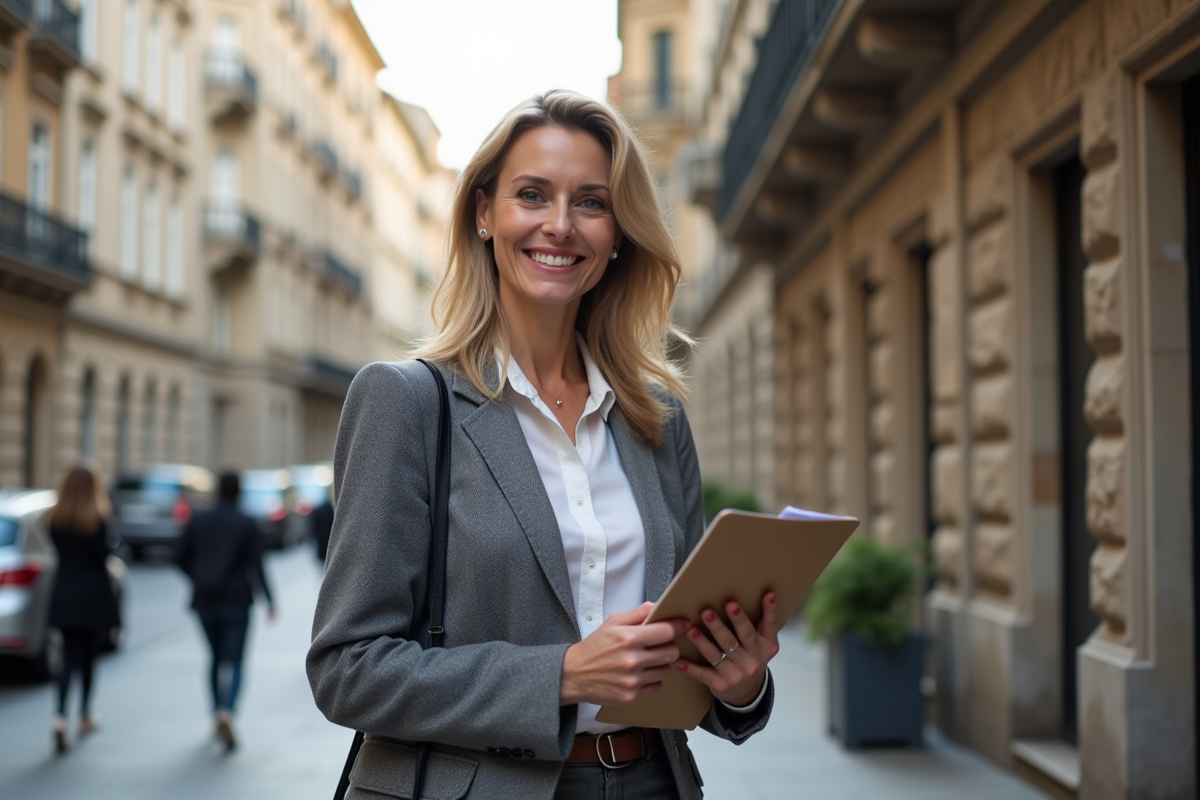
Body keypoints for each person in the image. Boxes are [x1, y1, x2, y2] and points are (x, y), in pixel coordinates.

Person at [307, 90, 781, 800]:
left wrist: (740, 683)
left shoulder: (656, 418)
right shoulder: (407, 402)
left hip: (653, 781)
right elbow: (348, 668)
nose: (560, 226)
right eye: (532, 195)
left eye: (591, 202)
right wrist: (562, 675)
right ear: (484, 214)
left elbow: (678, 658)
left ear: (619, 231)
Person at [176, 471, 276, 751]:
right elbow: (257, 563)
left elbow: (178, 556)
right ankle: (227, 711)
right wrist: (269, 600)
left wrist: (197, 577)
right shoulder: (246, 522)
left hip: (205, 600)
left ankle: (215, 714)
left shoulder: (199, 519)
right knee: (236, 660)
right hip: (237, 600)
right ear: (238, 492)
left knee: (215, 658)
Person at [47, 463, 121, 755]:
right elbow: (104, 555)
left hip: (64, 594)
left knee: (67, 657)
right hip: (92, 596)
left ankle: (59, 717)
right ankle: (86, 715)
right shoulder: (98, 519)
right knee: (89, 658)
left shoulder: (56, 518)